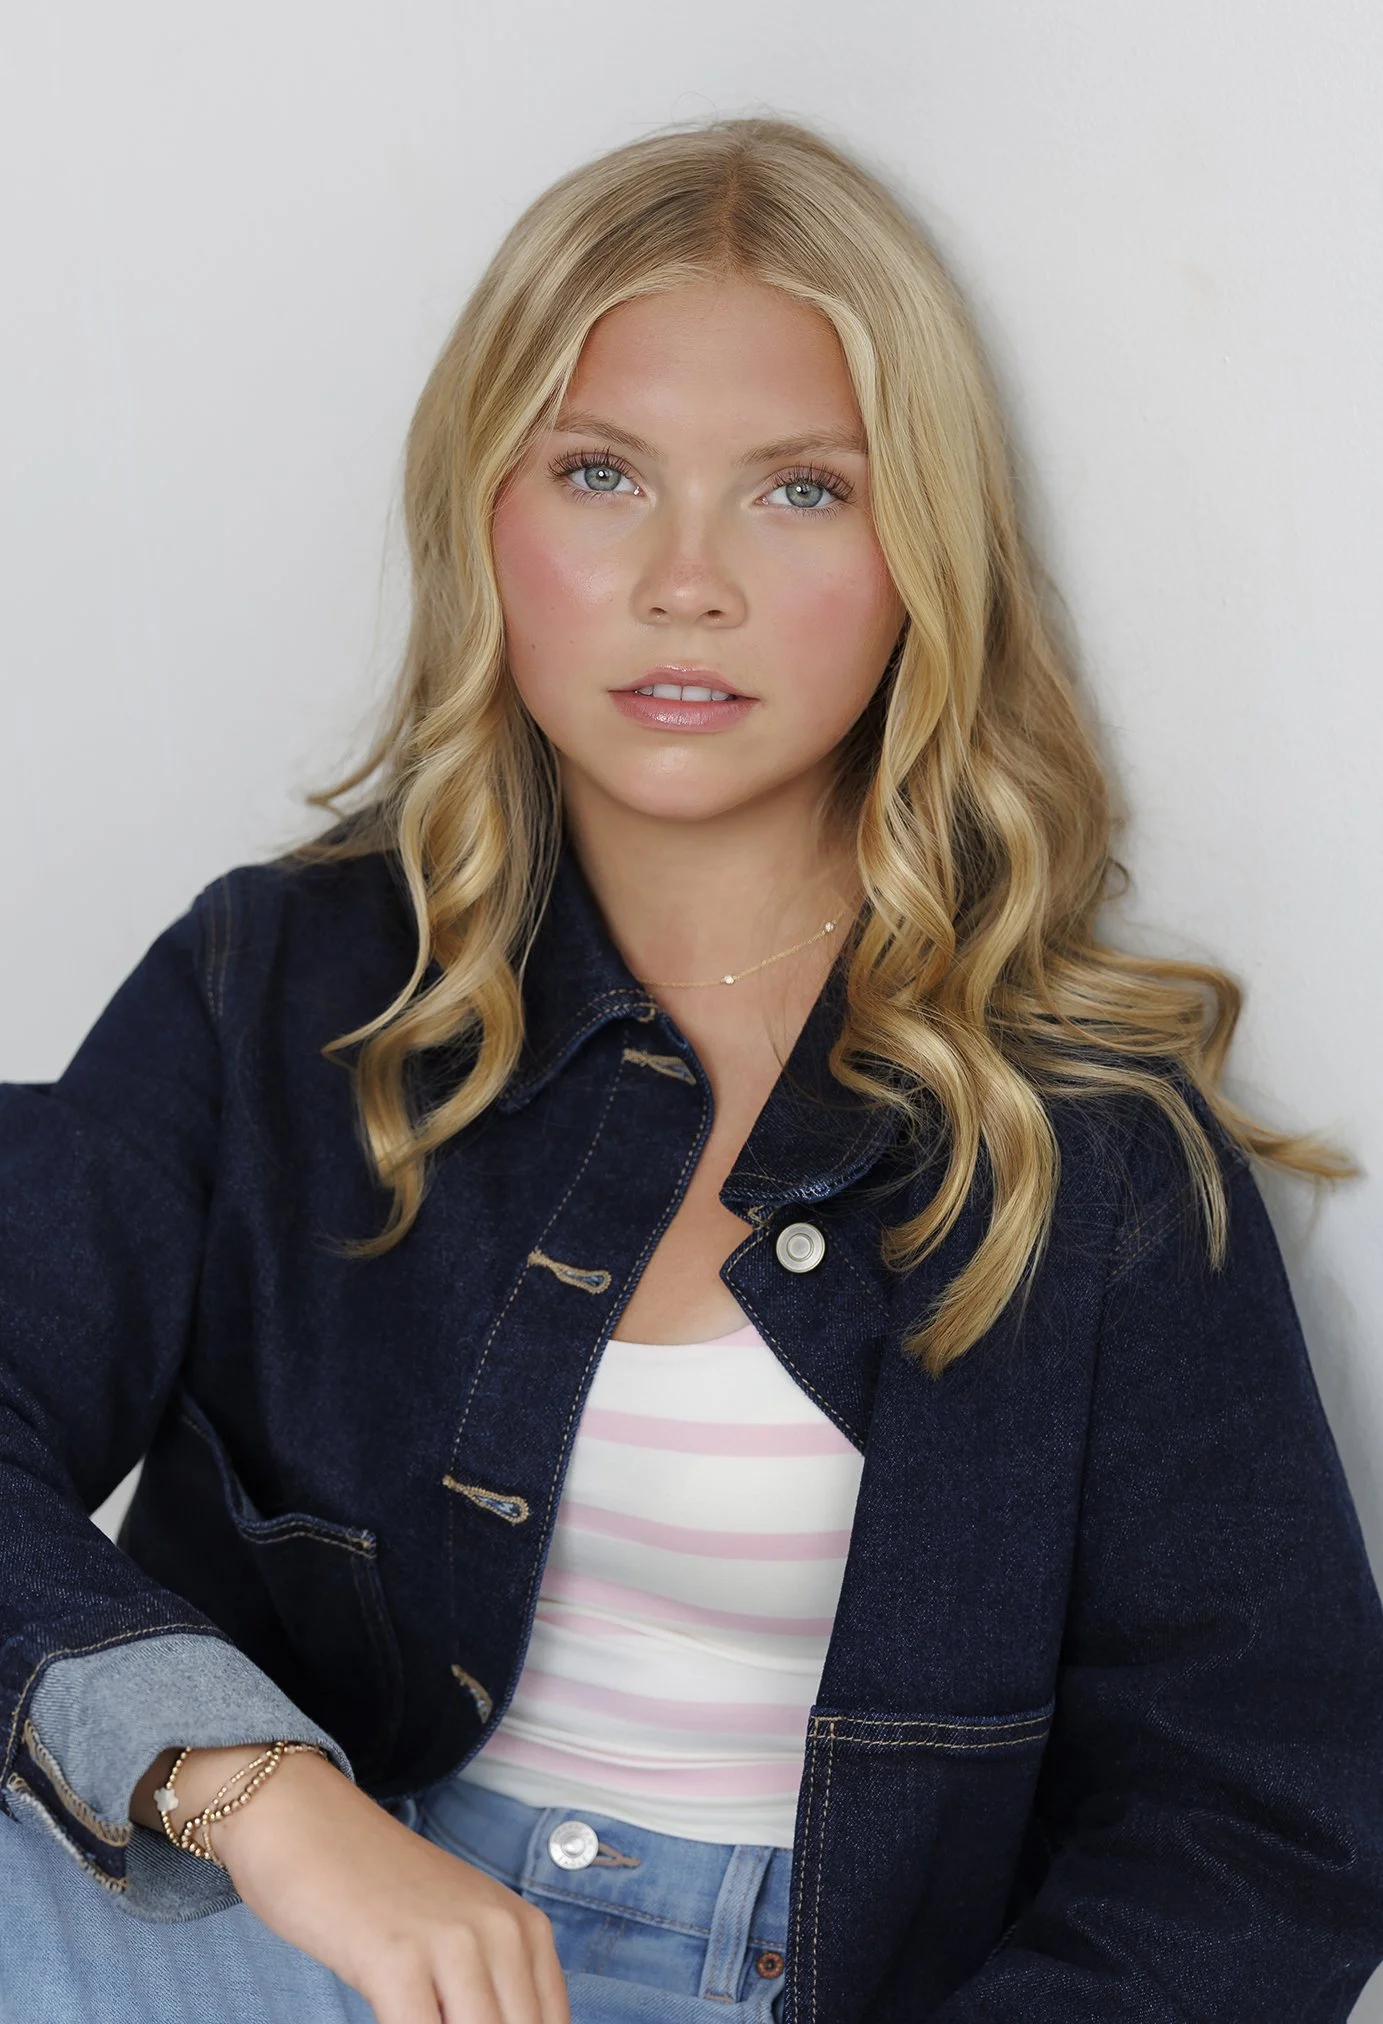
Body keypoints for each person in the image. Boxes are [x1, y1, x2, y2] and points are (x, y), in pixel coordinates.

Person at [1, 113, 1381, 2024]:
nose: (684, 581)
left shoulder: (1089, 1145)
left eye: (800, 492)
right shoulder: (284, 984)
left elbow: (1257, 1816)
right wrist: (264, 1796)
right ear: (485, 514)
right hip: (291, 1935)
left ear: (924, 554)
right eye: (598, 474)